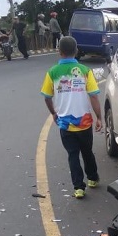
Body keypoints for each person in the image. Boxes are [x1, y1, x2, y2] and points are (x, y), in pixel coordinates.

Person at [40, 36, 102, 199]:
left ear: (59, 52)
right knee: (87, 151)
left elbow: (47, 97)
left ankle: (78, 188)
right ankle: (93, 178)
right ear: (76, 51)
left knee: (72, 155)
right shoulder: (85, 71)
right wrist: (99, 118)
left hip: (65, 124)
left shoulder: (52, 72)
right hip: (85, 122)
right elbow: (94, 96)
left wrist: (54, 112)